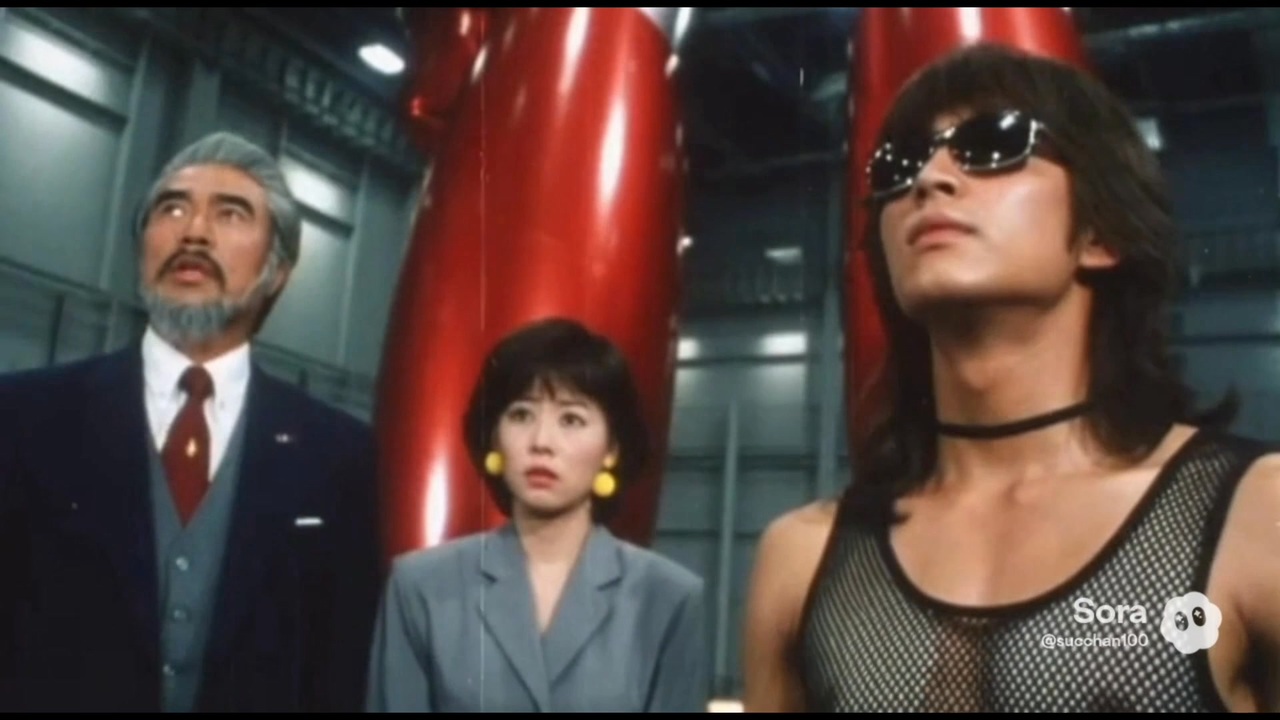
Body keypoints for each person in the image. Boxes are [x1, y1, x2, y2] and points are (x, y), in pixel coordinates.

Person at [742, 43, 1280, 713]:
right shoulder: (803, 559)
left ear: (1102, 233)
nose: (929, 178)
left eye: (992, 144)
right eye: (898, 165)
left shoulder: (1257, 515)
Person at [0, 132, 383, 712]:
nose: (194, 232)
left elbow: (341, 667)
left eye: (231, 214)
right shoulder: (23, 418)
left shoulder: (341, 457)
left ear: (278, 271)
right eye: (172, 208)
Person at [365, 317, 708, 713]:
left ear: (611, 449)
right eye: (521, 415)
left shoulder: (668, 598)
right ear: (494, 437)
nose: (542, 442)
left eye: (571, 419)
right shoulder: (420, 586)